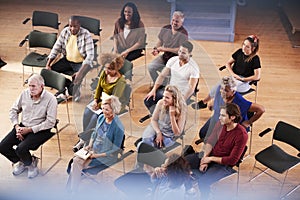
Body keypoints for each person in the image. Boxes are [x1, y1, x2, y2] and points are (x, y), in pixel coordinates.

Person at [185, 103, 248, 199]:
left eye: (223, 115)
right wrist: (205, 159)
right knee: (181, 163)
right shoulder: (220, 124)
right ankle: (189, 189)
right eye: (220, 114)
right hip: (210, 155)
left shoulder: (242, 135)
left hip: (223, 164)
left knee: (203, 182)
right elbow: (210, 141)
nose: (219, 118)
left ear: (232, 117)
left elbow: (232, 160)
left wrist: (210, 159)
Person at [0, 74, 57, 179]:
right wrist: (17, 127)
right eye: (29, 85)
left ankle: (31, 165)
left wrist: (29, 130)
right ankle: (24, 161)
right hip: (23, 126)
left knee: (20, 148)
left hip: (40, 130)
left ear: (42, 86)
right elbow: (13, 110)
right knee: (2, 146)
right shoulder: (24, 94)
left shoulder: (51, 99)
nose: (31, 88)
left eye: (34, 86)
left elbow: (51, 122)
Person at [67, 95, 125, 191]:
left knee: (76, 164)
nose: (104, 112)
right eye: (102, 109)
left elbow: (116, 148)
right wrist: (90, 145)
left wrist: (96, 155)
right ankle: (72, 191)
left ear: (114, 110)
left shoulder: (119, 127)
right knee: (76, 163)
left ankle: (71, 191)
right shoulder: (101, 117)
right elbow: (94, 133)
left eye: (107, 110)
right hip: (93, 150)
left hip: (105, 155)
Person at [73, 53, 126, 152]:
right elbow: (99, 88)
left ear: (116, 69)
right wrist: (96, 100)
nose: (107, 71)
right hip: (101, 100)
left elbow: (114, 99)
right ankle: (86, 137)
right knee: (87, 112)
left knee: (95, 118)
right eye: (106, 68)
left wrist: (101, 105)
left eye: (110, 69)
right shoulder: (104, 73)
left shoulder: (121, 81)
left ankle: (83, 139)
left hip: (112, 104)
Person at [192, 34, 261, 109]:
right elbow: (228, 63)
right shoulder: (239, 52)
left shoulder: (255, 58)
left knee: (226, 89)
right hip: (234, 77)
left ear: (253, 48)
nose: (244, 47)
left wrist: (243, 79)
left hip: (244, 82)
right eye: (244, 44)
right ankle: (205, 102)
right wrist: (233, 74)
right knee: (219, 85)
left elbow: (257, 76)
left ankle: (213, 104)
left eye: (247, 46)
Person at [196, 76, 265, 144]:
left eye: (226, 90)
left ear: (233, 91)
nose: (222, 92)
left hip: (231, 125)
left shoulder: (240, 102)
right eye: (222, 89)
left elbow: (261, 109)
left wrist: (248, 122)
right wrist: (213, 104)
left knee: (218, 142)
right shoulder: (219, 90)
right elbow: (217, 99)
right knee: (203, 133)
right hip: (219, 118)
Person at [141, 40, 199, 122]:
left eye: (183, 53)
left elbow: (191, 88)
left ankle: (171, 122)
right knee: (148, 100)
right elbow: (162, 75)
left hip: (182, 93)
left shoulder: (193, 67)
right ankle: (160, 118)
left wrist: (181, 100)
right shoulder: (173, 60)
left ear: (190, 53)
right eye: (179, 51)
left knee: (171, 106)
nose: (180, 54)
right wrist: (154, 89)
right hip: (170, 90)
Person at [46, 15, 94, 101]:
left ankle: (72, 91)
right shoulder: (65, 31)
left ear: (79, 25)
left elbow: (90, 57)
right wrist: (48, 64)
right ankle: (67, 86)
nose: (72, 29)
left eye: (75, 26)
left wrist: (80, 72)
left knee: (76, 81)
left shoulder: (86, 34)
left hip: (81, 63)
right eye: (70, 26)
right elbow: (56, 48)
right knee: (50, 72)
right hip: (67, 60)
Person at [148, 11, 188, 83]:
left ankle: (166, 84)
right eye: (173, 20)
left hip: (176, 60)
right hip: (165, 57)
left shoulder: (184, 33)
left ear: (181, 23)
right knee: (151, 67)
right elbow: (160, 41)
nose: (174, 23)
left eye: (177, 21)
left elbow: (180, 50)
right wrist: (156, 49)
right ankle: (158, 83)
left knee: (169, 74)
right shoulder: (165, 28)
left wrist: (163, 49)